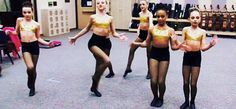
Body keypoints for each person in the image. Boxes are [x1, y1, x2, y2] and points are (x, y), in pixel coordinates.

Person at [69, 0, 127, 97]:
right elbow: (86, 29)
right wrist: (75, 37)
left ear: (106, 4)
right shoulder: (93, 17)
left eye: (102, 2)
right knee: (107, 61)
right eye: (98, 3)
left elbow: (113, 32)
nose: (100, 4)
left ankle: (94, 87)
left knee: (100, 64)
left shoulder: (110, 18)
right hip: (94, 42)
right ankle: (95, 78)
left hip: (106, 43)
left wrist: (119, 36)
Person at [133, 7, 182, 107]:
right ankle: (155, 96)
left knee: (161, 81)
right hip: (154, 54)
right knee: (153, 80)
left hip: (164, 55)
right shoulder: (152, 29)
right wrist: (136, 43)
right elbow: (146, 43)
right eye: (158, 16)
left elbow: (173, 47)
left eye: (162, 16)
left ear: (166, 17)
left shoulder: (170, 30)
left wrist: (180, 45)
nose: (160, 18)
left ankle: (161, 98)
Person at [6, 1, 53, 96]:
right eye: (24, 12)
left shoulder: (36, 24)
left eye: (28, 12)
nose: (27, 14)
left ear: (32, 12)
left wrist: (47, 43)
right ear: (22, 13)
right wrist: (10, 32)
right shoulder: (19, 20)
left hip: (34, 46)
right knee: (30, 67)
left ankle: (32, 87)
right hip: (25, 46)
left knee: (34, 69)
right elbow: (16, 32)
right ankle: (29, 78)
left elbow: (38, 37)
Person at [179, 8, 217, 109]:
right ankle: (186, 101)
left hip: (196, 57)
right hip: (187, 57)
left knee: (193, 83)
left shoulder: (202, 32)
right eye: (193, 17)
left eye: (197, 17)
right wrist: (183, 47)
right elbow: (181, 44)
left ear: (200, 19)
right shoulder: (185, 30)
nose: (195, 19)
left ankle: (192, 102)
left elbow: (202, 48)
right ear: (189, 19)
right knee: (186, 82)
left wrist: (210, 45)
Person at [123, 0, 153, 79]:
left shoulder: (149, 14)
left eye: (143, 4)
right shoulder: (140, 13)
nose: (141, 6)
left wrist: (148, 38)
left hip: (148, 35)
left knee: (149, 54)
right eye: (140, 5)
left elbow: (151, 25)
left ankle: (149, 72)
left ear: (147, 5)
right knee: (132, 48)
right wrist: (138, 29)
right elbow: (141, 23)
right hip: (141, 34)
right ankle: (128, 67)